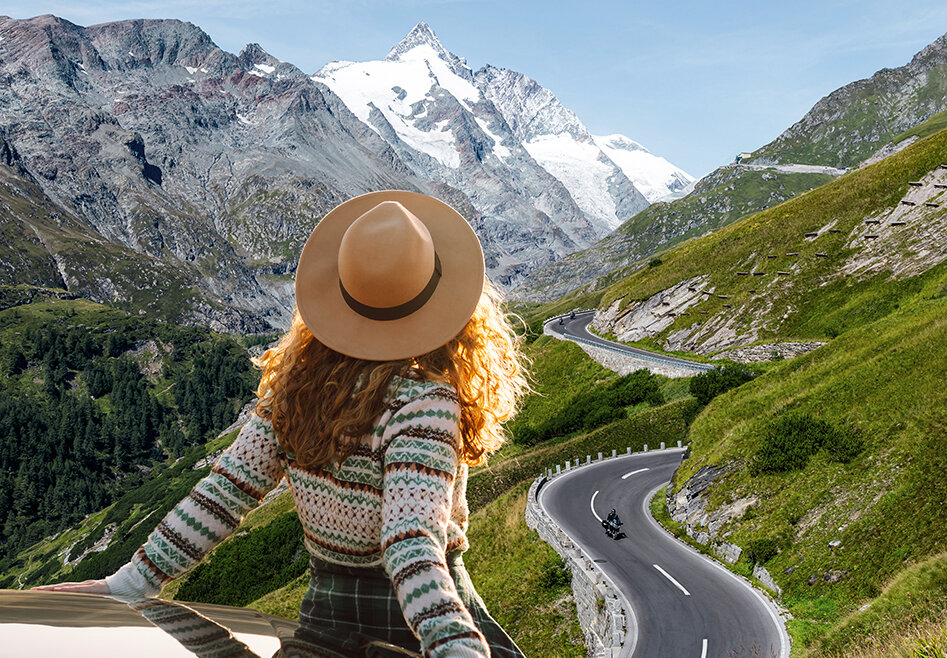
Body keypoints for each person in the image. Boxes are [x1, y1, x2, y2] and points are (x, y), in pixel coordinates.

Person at [34, 191, 530, 658]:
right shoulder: (426, 400)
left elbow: (227, 491)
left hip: (324, 623)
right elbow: (410, 540)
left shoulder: (297, 387)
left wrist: (132, 582)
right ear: (445, 303)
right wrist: (453, 644)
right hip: (418, 619)